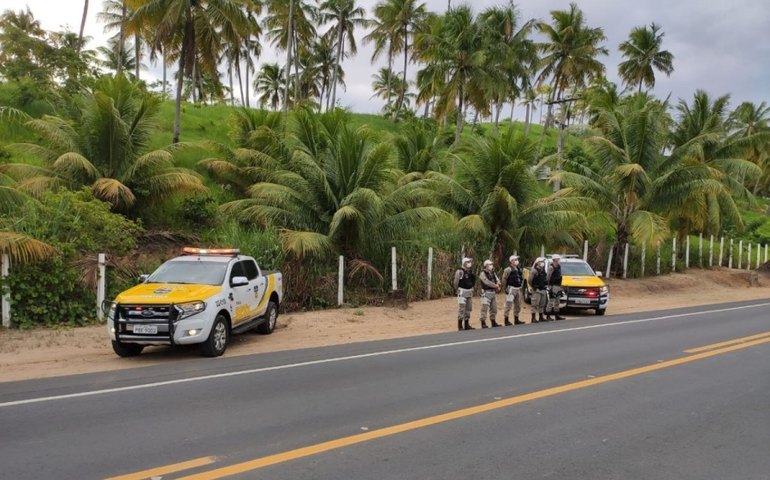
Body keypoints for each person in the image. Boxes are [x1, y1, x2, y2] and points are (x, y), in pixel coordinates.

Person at [502, 255, 525, 326]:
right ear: (511, 261)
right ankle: (506, 320)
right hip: (511, 288)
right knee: (508, 304)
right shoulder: (508, 270)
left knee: (518, 305)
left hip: (518, 289)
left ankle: (516, 319)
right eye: (515, 259)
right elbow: (504, 279)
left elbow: (521, 278)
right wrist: (505, 288)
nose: (517, 261)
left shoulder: (519, 269)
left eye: (517, 259)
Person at [453, 257, 476, 331]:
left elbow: (473, 281)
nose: (469, 263)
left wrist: (472, 287)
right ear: (464, 263)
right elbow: (456, 282)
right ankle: (460, 326)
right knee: (462, 309)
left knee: (469, 308)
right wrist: (457, 290)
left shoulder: (470, 272)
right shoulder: (459, 271)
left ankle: (466, 324)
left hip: (469, 291)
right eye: (467, 262)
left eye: (470, 262)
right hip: (462, 291)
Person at [479, 259, 501, 328]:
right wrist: (495, 285)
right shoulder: (482, 273)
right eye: (490, 264)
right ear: (486, 266)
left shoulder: (492, 272)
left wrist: (498, 284)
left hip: (492, 292)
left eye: (491, 264)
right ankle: (483, 322)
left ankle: (493, 322)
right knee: (484, 308)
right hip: (486, 293)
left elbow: (497, 279)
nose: (491, 266)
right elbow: (486, 282)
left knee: (494, 308)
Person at [546, 254, 566, 321]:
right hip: (553, 285)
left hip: (558, 285)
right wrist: (549, 286)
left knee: (557, 301)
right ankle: (548, 315)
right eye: (558, 259)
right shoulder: (551, 267)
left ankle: (557, 315)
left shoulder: (559, 266)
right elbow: (548, 277)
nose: (559, 260)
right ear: (554, 260)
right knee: (551, 301)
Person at [529, 257, 548, 323]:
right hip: (537, 290)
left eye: (543, 261)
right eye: (541, 261)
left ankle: (541, 317)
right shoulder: (534, 271)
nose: (542, 263)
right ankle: (533, 318)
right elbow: (530, 280)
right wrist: (534, 287)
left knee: (542, 304)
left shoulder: (543, 270)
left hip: (543, 289)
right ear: (537, 262)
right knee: (534, 304)